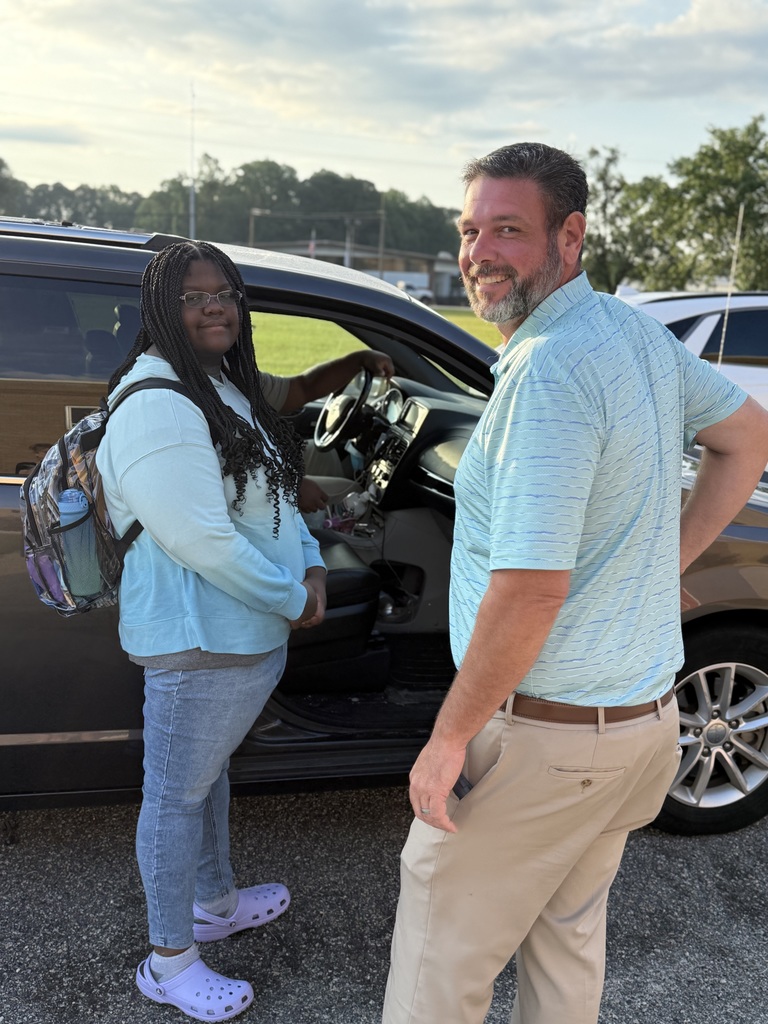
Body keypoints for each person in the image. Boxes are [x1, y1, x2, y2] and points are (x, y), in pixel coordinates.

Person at [382, 142, 768, 1024]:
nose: (480, 250)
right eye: (471, 228)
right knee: (564, 954)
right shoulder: (632, 333)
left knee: (435, 976)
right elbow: (751, 436)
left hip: (546, 741)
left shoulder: (550, 371)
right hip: (639, 729)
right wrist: (656, 564)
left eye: (509, 229)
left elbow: (529, 592)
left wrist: (448, 743)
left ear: (571, 234)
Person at [97, 240, 327, 1021]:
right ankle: (170, 960)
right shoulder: (160, 401)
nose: (215, 305)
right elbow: (201, 539)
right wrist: (290, 595)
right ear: (162, 308)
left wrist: (313, 566)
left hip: (242, 632)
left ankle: (214, 902)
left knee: (207, 779)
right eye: (194, 296)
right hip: (198, 640)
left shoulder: (218, 383)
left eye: (224, 290)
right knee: (173, 797)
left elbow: (274, 495)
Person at [259, 348, 394, 513]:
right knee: (353, 492)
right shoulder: (221, 380)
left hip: (257, 459)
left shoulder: (235, 373)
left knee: (321, 454)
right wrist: (289, 484)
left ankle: (327, 524)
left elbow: (302, 387)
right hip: (240, 483)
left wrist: (359, 360)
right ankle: (328, 531)